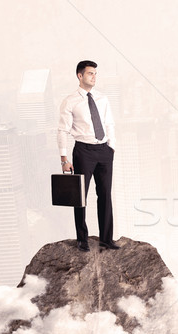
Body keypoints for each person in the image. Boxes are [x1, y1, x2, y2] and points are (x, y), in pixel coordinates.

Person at [57, 60, 119, 252]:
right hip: (84, 151)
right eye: (90, 73)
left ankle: (106, 239)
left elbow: (109, 124)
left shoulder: (102, 98)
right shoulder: (70, 101)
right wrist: (64, 159)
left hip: (104, 151)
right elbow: (62, 130)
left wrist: (112, 148)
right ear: (80, 76)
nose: (94, 77)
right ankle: (82, 239)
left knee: (105, 195)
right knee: (80, 197)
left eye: (95, 74)